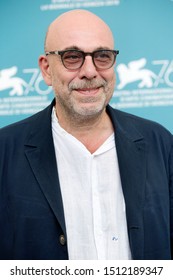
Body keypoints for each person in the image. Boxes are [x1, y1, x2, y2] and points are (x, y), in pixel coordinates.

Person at [0, 9, 173, 260]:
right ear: (47, 69)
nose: (90, 71)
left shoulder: (161, 144)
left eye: (102, 56)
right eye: (72, 57)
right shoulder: (5, 151)